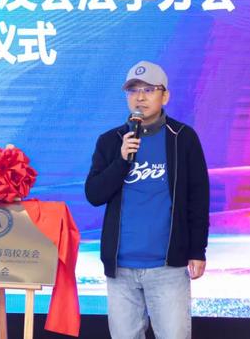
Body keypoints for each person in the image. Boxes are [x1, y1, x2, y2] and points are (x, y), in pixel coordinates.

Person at [85, 60, 210, 339]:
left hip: (167, 266)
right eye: (133, 90)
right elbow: (94, 194)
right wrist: (121, 160)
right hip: (121, 267)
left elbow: (198, 199)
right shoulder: (111, 141)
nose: (140, 97)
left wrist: (197, 250)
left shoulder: (183, 138)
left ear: (165, 96)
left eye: (149, 90)